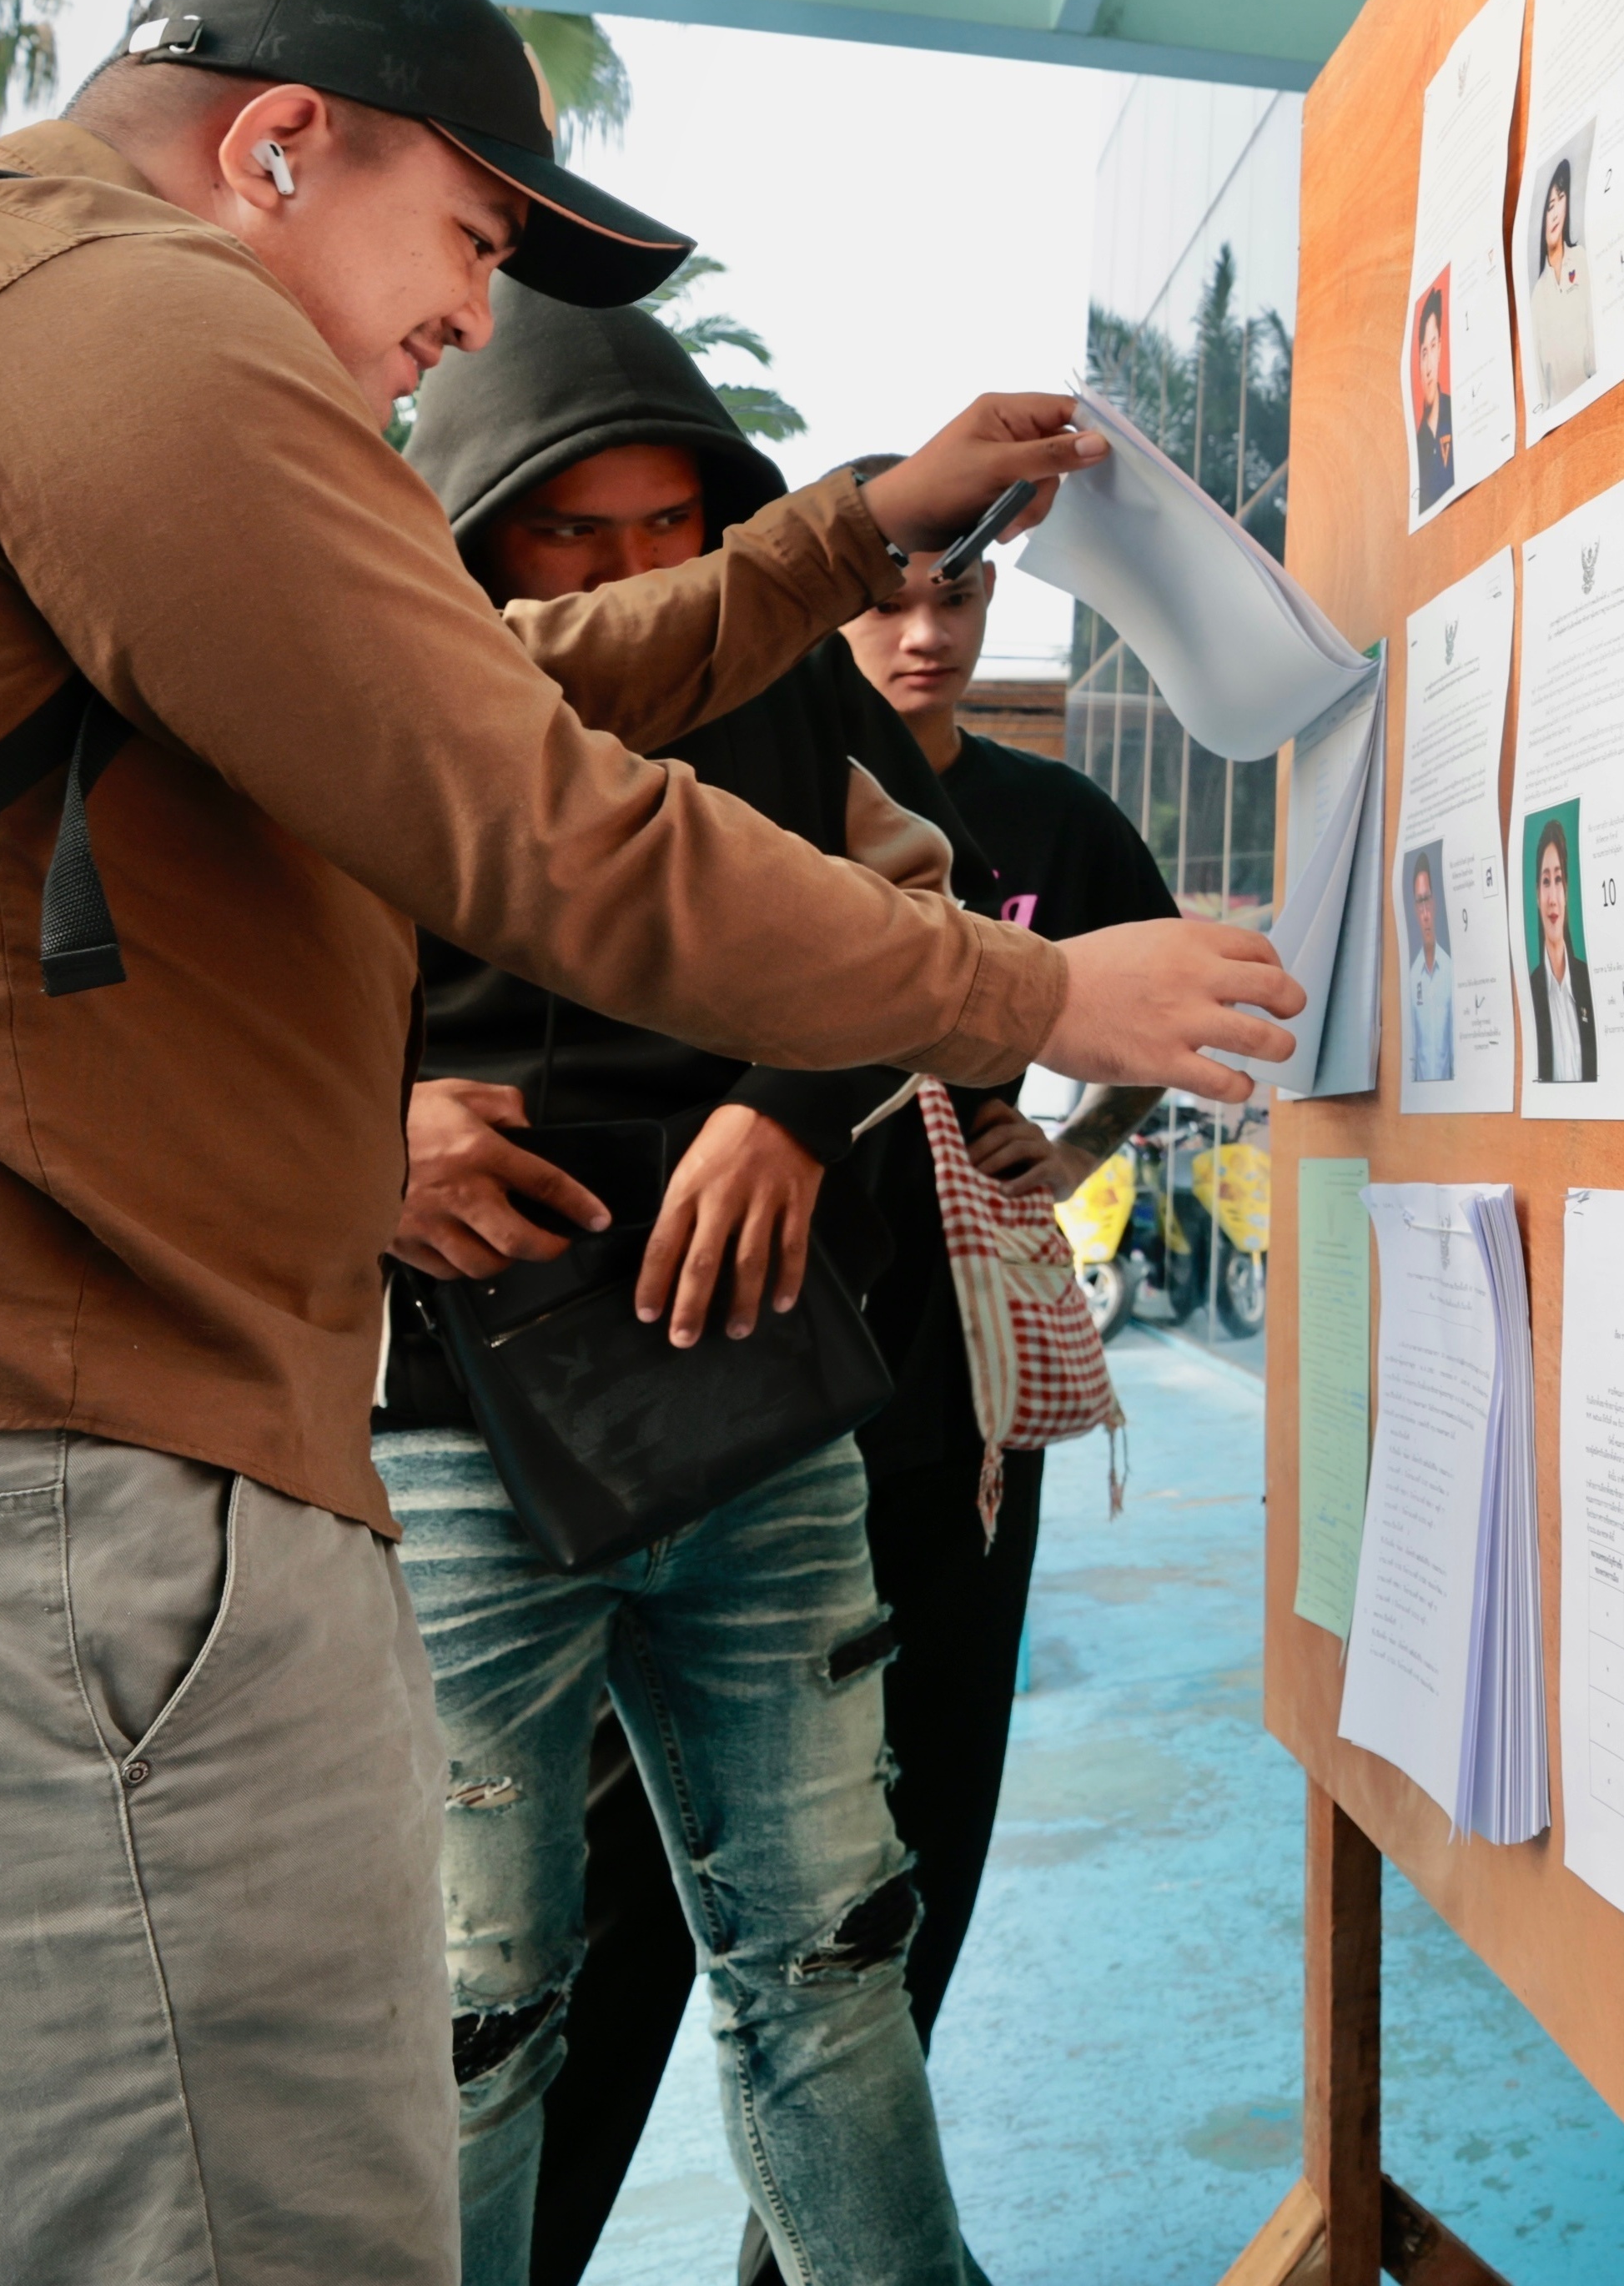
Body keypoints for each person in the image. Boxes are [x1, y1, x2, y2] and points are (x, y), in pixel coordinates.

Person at [0, 0, 1298, 2286]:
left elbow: (517, 684)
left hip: (85, 1476)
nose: (474, 323)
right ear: (276, 148)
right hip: (36, 1505)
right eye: (470, 240)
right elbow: (545, 812)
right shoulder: (116, 314)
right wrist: (1028, 988)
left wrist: (856, 517)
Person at [488, 449, 1191, 2286]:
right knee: (565, 1928)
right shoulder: (562, 729)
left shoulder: (1006, 810)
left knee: (866, 1901)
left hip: (916, 1395)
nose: (922, 628)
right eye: (889, 587)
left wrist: (1061, 1131)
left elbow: (1091, 993)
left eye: (955, 595)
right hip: (650, 1404)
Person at [388, 306, 1028, 2286]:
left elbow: (909, 916)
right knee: (473, 2001)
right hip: (448, 1438)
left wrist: (789, 1101)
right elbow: (164, 990)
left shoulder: (788, 695)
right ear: (472, 532)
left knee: (833, 1952)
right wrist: (359, 1134)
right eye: (568, 532)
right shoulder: (353, 699)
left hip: (761, 1418)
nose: (633, 568)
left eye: (674, 517)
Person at [1527, 818, 1596, 1085]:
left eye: (1558, 879)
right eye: (1546, 881)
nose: (1552, 898)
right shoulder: (1531, 990)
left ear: (1567, 890)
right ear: (1536, 894)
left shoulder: (1589, 984)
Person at [1527, 160, 1596, 408]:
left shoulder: (1582, 259)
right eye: (1549, 206)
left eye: (1562, 198)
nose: (1555, 213)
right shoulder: (1537, 297)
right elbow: (1542, 393)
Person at [1400, 845, 1460, 1085]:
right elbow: (1411, 1059)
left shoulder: (1452, 971)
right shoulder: (1412, 977)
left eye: (1427, 900)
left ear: (1435, 903)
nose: (1424, 913)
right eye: (1418, 903)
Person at [1408, 277, 1456, 510]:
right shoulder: (1418, 446)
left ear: (1441, 349)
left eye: (1433, 346)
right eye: (1423, 352)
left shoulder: (1457, 413)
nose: (1428, 367)